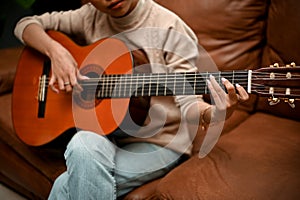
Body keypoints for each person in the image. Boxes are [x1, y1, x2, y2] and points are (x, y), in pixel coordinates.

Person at [14, 0, 249, 199]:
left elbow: (190, 104)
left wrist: (217, 113)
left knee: (64, 184)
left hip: (159, 144)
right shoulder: (88, 17)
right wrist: (57, 53)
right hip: (107, 135)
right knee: (82, 142)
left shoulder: (169, 28)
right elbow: (25, 25)